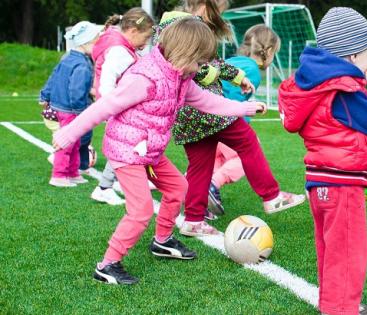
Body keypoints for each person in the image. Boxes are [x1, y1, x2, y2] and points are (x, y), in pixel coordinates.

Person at [52, 18, 266, 285]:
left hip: (149, 152)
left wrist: (244, 108)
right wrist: (69, 134)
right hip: (127, 152)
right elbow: (104, 107)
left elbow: (206, 101)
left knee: (179, 188)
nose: (203, 69)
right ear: (184, 53)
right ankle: (107, 265)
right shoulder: (144, 78)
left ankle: (162, 241)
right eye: (200, 62)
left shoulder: (181, 77)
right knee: (140, 211)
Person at [157, 0, 305, 238]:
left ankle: (193, 220)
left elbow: (210, 63)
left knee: (200, 166)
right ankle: (271, 196)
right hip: (206, 107)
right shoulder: (188, 26)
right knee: (247, 141)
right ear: (205, 5)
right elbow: (199, 68)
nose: (218, 16)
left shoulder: (167, 26)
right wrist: (227, 80)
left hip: (185, 114)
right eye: (219, 10)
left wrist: (238, 77)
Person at [278, 7, 367, 315]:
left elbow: (336, 129)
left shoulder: (318, 85)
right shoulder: (342, 88)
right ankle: (340, 309)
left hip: (320, 182)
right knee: (348, 254)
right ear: (353, 56)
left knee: (330, 251)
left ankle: (333, 303)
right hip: (341, 186)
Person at [206, 24, 281, 218]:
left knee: (215, 159)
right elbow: (232, 96)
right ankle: (213, 184)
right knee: (245, 156)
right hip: (225, 121)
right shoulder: (253, 71)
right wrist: (242, 112)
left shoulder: (232, 61)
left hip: (206, 118)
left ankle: (199, 196)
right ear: (269, 51)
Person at [89, 7, 155, 206]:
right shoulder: (119, 51)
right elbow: (108, 81)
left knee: (134, 143)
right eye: (145, 37)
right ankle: (104, 188)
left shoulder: (122, 46)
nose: (146, 43)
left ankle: (119, 182)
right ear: (133, 31)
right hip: (117, 107)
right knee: (126, 145)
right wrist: (114, 106)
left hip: (118, 105)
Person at [39, 21, 102, 187]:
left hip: (63, 107)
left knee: (75, 141)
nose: (97, 46)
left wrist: (45, 95)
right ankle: (59, 175)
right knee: (68, 142)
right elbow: (76, 90)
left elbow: (53, 77)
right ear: (86, 43)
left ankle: (72, 173)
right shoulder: (82, 65)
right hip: (72, 110)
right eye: (96, 42)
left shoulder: (67, 58)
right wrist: (81, 112)